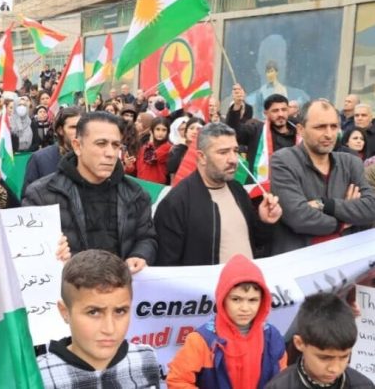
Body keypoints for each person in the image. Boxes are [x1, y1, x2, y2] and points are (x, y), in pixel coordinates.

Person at [23, 111, 157, 272]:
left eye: (116, 145)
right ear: (77, 146)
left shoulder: (136, 194)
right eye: (101, 143)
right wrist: (53, 256)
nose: (110, 153)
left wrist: (140, 255)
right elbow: (29, 254)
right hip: (69, 286)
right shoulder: (41, 195)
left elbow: (146, 238)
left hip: (121, 285)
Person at [154, 123, 282, 266]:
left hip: (247, 279)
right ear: (202, 157)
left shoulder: (238, 190)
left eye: (235, 151)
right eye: (223, 152)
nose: (233, 159)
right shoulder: (176, 202)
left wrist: (264, 221)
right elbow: (167, 265)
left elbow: (256, 241)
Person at [36, 249, 160, 387]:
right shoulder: (36, 377)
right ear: (65, 312)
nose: (109, 329)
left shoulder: (145, 358)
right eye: (94, 312)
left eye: (120, 311)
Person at [270, 99, 375, 255]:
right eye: (320, 127)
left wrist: (325, 204)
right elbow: (299, 217)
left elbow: (371, 208)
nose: (329, 134)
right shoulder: (283, 160)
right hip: (301, 260)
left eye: (334, 126)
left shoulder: (351, 162)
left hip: (347, 257)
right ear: (300, 129)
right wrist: (344, 221)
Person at [167, 254, 287, 388]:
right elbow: (177, 380)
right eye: (236, 299)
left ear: (263, 301)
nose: (245, 308)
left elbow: (283, 381)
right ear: (222, 299)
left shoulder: (272, 337)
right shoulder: (202, 340)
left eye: (253, 300)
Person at [265, 293, 374, 388]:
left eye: (344, 357)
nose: (334, 368)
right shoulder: (279, 386)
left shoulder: (363, 386)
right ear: (299, 343)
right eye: (324, 358)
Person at [227, 93, 296, 182]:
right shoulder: (256, 131)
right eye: (275, 111)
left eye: (284, 110)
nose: (280, 114)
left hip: (293, 184)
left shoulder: (300, 133)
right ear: (266, 113)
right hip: (261, 186)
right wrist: (236, 106)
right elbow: (234, 133)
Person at [23, 106, 82, 192]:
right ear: (60, 130)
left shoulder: (93, 157)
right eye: (73, 127)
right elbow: (29, 195)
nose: (79, 131)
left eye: (82, 127)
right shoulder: (40, 159)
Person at [126, 117, 171, 184]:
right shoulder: (144, 148)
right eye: (157, 129)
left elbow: (150, 159)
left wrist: (151, 143)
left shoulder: (167, 147)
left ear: (168, 132)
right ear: (152, 131)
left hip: (155, 186)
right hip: (140, 184)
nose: (160, 133)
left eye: (164, 130)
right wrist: (129, 165)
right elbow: (136, 170)